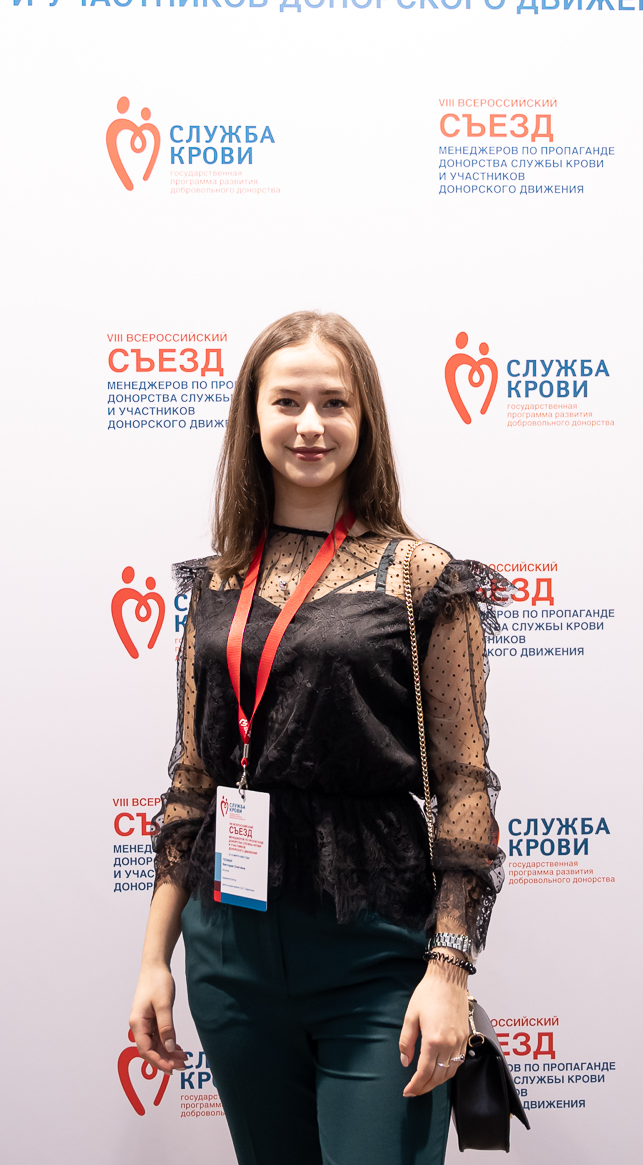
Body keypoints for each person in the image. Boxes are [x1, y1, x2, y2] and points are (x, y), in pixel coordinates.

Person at [127, 311, 506, 1165]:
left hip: (375, 952)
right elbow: (192, 780)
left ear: (364, 419)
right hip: (230, 954)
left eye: (334, 402)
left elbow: (464, 785)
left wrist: (449, 968)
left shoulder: (421, 577)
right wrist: (155, 959)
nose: (310, 424)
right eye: (287, 401)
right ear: (252, 417)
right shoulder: (218, 582)